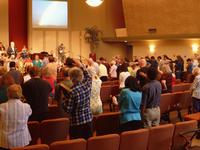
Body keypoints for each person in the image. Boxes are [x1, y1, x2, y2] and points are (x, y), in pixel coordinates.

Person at [62, 59, 93, 140]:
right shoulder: (87, 85)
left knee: (77, 145)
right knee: (88, 143)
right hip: (88, 120)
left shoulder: (72, 92)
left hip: (76, 123)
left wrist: (63, 100)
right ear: (81, 76)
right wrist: (81, 66)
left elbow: (67, 109)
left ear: (71, 78)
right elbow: (88, 76)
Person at [0, 84, 32, 149]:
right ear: (20, 94)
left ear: (8, 94)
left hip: (5, 142)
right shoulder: (26, 106)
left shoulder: (1, 107)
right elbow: (29, 114)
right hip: (22, 140)